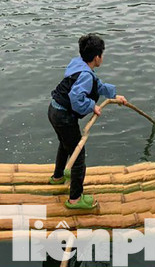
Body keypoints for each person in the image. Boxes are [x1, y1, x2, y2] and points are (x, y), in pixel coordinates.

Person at [49, 34, 125, 211]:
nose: (102, 57)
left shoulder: (78, 64)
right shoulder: (86, 75)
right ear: (97, 57)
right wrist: (92, 106)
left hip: (54, 110)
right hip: (64, 117)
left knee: (65, 144)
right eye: (102, 54)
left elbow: (97, 85)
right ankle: (75, 199)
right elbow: (76, 98)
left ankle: (58, 177)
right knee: (78, 154)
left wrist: (115, 96)